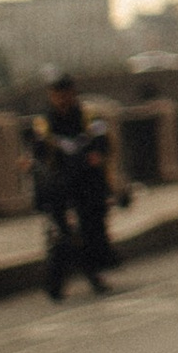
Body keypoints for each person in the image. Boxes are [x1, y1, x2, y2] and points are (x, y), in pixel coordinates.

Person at [32, 76, 123, 301]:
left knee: (91, 227)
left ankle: (94, 272)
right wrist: (34, 162)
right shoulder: (44, 121)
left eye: (65, 94)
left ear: (73, 93)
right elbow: (38, 149)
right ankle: (55, 283)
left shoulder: (89, 116)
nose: (61, 100)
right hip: (58, 184)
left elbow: (102, 140)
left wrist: (97, 155)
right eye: (56, 95)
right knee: (61, 235)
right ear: (51, 96)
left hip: (87, 182)